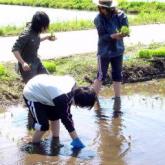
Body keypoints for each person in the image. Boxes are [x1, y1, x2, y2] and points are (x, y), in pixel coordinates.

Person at [23, 74, 97, 149]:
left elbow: (66, 114)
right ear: (79, 103)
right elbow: (66, 119)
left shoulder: (73, 87)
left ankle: (55, 140)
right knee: (43, 126)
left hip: (47, 90)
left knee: (55, 116)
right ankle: (35, 146)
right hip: (32, 92)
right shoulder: (62, 97)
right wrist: (75, 139)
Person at [92, 0, 129, 99]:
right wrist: (112, 36)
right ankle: (93, 98)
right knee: (101, 75)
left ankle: (117, 98)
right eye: (101, 8)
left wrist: (124, 33)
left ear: (109, 8)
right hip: (104, 51)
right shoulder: (98, 19)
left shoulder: (121, 15)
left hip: (118, 50)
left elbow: (126, 29)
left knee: (117, 74)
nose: (101, 9)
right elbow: (102, 37)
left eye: (103, 8)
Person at [12, 11, 56, 83]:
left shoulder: (36, 30)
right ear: (39, 24)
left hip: (36, 61)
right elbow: (15, 49)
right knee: (33, 86)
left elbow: (34, 41)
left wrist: (47, 37)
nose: (45, 28)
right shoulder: (27, 34)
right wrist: (23, 63)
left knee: (48, 79)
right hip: (28, 66)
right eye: (44, 26)